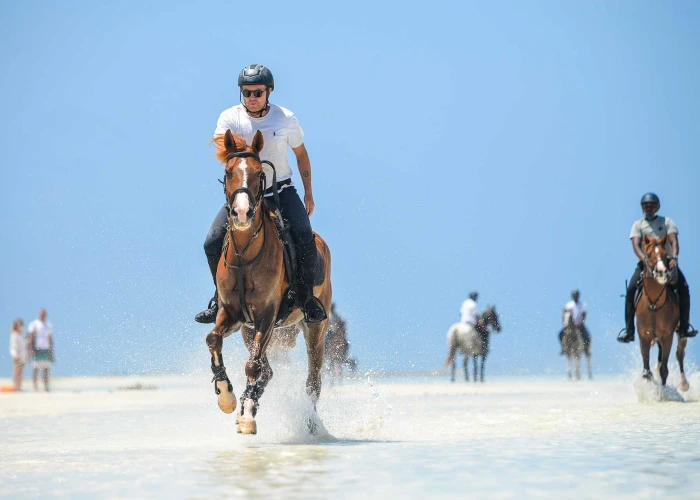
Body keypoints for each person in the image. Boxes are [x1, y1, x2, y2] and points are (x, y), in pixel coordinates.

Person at [195, 64, 327, 324]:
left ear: (269, 92)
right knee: (211, 241)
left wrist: (309, 194)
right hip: (244, 195)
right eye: (246, 93)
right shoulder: (229, 118)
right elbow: (224, 151)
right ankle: (219, 299)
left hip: (281, 191)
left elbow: (301, 155)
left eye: (257, 92)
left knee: (302, 233)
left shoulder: (285, 118)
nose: (252, 98)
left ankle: (307, 297)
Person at [618, 193, 697, 343]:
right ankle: (629, 331)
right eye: (646, 206)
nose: (649, 208)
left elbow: (674, 242)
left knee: (684, 288)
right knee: (630, 291)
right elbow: (636, 246)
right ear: (642, 208)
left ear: (657, 207)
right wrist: (645, 260)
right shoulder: (638, 225)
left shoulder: (667, 222)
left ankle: (684, 327)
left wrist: (673, 258)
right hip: (646, 263)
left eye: (652, 205)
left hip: (666, 262)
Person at [27, 309, 54, 392]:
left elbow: (50, 338)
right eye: (41, 314)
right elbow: (30, 337)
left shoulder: (49, 325)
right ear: (39, 314)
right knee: (36, 368)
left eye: (44, 314)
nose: (43, 315)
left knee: (46, 368)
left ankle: (46, 386)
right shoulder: (34, 324)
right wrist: (30, 349)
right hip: (37, 348)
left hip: (46, 348)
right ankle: (35, 387)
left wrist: (52, 351)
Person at [558, 289, 591, 354]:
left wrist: (580, 323)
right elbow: (565, 315)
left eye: (576, 295)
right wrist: (566, 324)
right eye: (574, 295)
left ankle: (586, 349)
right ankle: (563, 348)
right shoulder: (569, 304)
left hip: (579, 325)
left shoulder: (582, 304)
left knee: (586, 335)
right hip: (570, 325)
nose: (575, 297)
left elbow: (584, 315)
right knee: (560, 334)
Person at [9, 319, 28, 391]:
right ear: (16, 326)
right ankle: (15, 387)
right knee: (16, 372)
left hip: (23, 355)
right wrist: (14, 355)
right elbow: (13, 346)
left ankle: (19, 387)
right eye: (18, 325)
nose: (20, 326)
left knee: (21, 372)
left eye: (21, 324)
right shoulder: (14, 334)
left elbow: (24, 345)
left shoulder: (22, 334)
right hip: (17, 355)